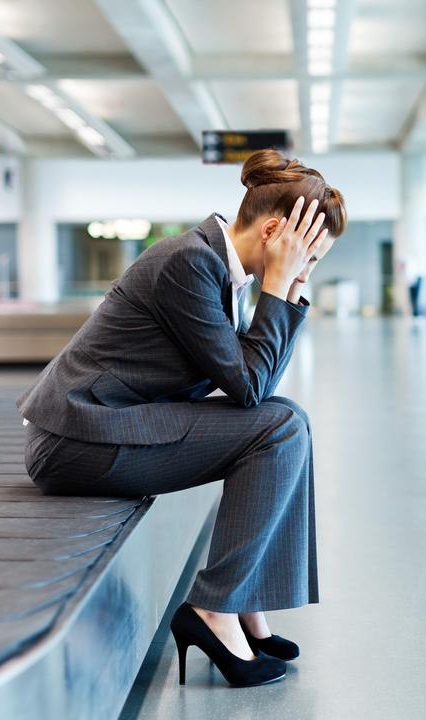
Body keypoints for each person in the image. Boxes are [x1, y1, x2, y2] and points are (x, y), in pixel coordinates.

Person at [17, 149, 344, 688]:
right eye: (307, 257)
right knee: (278, 427)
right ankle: (215, 609)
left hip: (116, 425)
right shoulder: (187, 262)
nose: (306, 272)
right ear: (273, 233)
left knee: (287, 419)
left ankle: (243, 600)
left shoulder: (224, 270)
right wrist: (280, 286)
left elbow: (261, 385)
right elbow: (247, 386)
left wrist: (286, 288)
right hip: (79, 439)